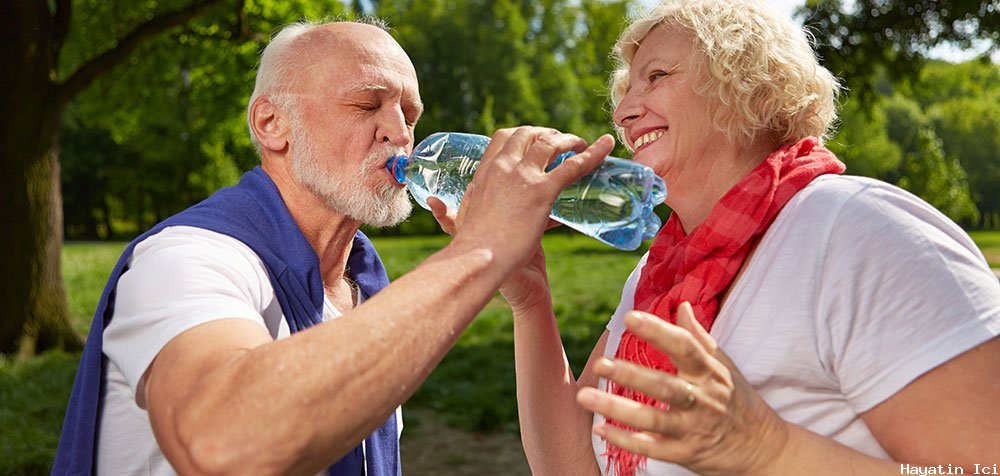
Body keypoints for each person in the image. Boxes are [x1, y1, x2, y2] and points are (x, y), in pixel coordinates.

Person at [53, 19, 614, 475]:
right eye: (367, 106)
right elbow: (223, 445)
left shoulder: (368, 283)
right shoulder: (186, 259)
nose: (399, 132)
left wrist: (520, 287)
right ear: (272, 123)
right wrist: (481, 249)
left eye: (409, 114)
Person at [489, 1, 1000, 475]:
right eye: (625, 92)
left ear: (749, 85)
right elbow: (575, 464)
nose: (623, 112)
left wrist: (770, 449)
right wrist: (529, 295)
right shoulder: (659, 274)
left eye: (657, 76)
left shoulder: (857, 228)